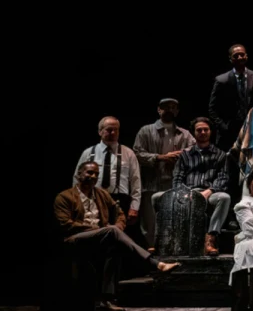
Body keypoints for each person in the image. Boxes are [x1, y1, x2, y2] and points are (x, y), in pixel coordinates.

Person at [54, 161, 179, 311]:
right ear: (79, 174)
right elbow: (66, 224)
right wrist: (100, 229)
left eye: (96, 174)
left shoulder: (101, 194)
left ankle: (107, 299)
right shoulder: (65, 197)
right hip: (75, 238)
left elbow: (119, 213)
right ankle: (155, 264)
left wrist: (119, 226)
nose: (93, 176)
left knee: (114, 244)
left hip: (100, 236)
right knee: (111, 232)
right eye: (89, 173)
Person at [133, 98, 196, 251]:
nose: (169, 109)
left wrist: (179, 155)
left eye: (173, 107)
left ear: (177, 111)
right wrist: (161, 157)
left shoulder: (185, 133)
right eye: (165, 107)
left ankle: (173, 249)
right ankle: (151, 250)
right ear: (158, 110)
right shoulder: (146, 130)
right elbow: (137, 153)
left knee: (174, 217)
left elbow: (194, 149)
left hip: (175, 182)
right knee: (150, 220)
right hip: (152, 181)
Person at [171, 117, 232, 256]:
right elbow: (177, 179)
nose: (203, 132)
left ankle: (210, 238)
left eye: (206, 129)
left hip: (210, 193)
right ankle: (166, 240)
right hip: (189, 192)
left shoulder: (220, 155)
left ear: (210, 132)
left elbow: (223, 178)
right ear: (193, 133)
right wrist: (185, 193)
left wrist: (209, 191)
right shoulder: (185, 155)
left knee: (224, 197)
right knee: (157, 197)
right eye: (199, 130)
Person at [75, 116, 142, 222]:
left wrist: (134, 207)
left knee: (118, 234)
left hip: (119, 201)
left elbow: (136, 182)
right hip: (93, 199)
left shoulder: (128, 153)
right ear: (100, 131)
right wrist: (77, 202)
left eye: (116, 130)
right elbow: (77, 180)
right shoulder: (89, 153)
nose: (113, 133)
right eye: (109, 130)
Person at [209, 44, 253, 151]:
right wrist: (223, 127)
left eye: (242, 54)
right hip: (229, 134)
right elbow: (212, 109)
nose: (240, 57)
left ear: (246, 56)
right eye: (236, 56)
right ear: (230, 59)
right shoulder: (222, 80)